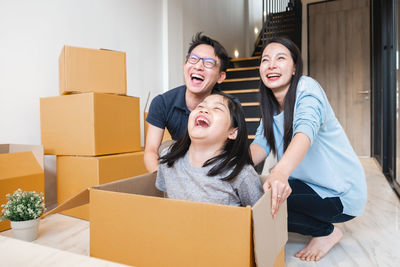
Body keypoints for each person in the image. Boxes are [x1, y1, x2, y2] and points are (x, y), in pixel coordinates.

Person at [250, 37, 367, 261]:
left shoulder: (307, 88)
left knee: (263, 203)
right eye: (265, 60)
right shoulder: (271, 106)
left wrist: (280, 172)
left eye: (280, 58)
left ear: (294, 67)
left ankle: (327, 232)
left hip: (341, 192)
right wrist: (229, 164)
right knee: (254, 192)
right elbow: (259, 146)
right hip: (311, 186)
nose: (271, 65)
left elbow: (305, 131)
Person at [156, 92, 263, 207]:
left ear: (232, 132)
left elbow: (260, 216)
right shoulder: (168, 158)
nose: (204, 110)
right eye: (200, 106)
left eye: (217, 108)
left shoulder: (241, 173)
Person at [145, 32, 230, 173]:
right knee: (166, 148)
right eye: (193, 59)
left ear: (220, 77)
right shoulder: (162, 102)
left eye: (208, 63)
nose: (198, 66)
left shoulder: (228, 108)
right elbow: (151, 151)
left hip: (215, 165)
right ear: (185, 64)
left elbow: (236, 153)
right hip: (181, 163)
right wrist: (164, 184)